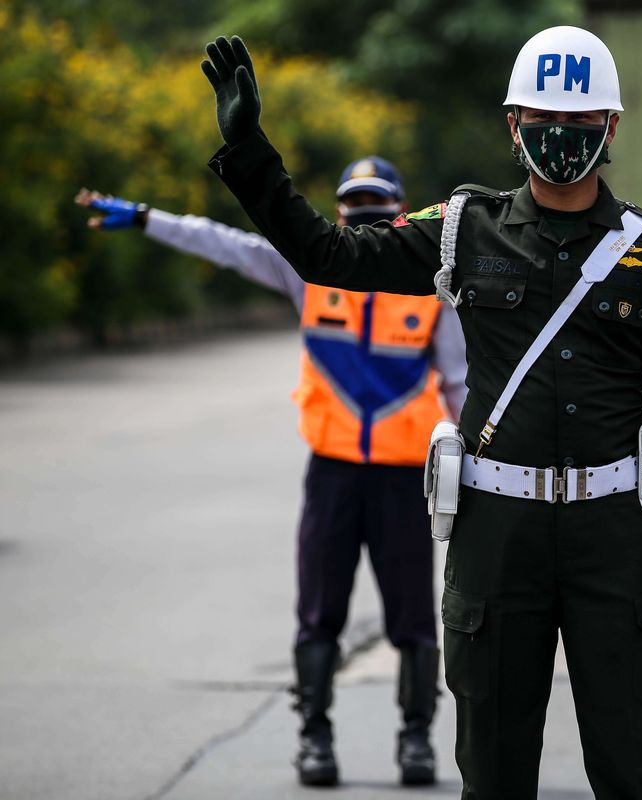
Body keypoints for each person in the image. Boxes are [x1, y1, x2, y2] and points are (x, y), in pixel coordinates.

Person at [199, 27, 642, 800]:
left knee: (633, 768)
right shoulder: (461, 230)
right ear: (513, 125)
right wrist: (251, 153)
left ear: (611, 128)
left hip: (614, 538)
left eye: (580, 123)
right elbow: (328, 257)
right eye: (543, 118)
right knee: (494, 772)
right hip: (495, 536)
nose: (561, 137)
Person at [76, 158, 468, 787]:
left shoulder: (429, 287)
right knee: (319, 612)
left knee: (413, 618)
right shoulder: (305, 268)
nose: (362, 215)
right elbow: (223, 244)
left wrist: (475, 463)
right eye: (353, 204)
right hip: (332, 472)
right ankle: (314, 737)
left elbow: (458, 383)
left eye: (376, 205)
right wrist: (149, 218)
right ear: (337, 214)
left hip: (401, 475)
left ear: (398, 215)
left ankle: (416, 738)